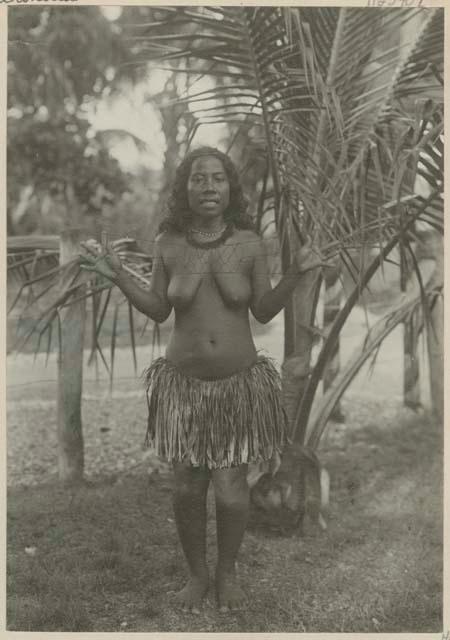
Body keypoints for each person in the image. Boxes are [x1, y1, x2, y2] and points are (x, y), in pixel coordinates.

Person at [80, 147, 327, 613]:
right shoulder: (168, 243)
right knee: (187, 487)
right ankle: (196, 577)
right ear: (185, 188)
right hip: (183, 385)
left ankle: (226, 575)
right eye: (198, 179)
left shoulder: (250, 243)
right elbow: (157, 308)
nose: (209, 186)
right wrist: (117, 276)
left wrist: (297, 272)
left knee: (231, 489)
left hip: (238, 385)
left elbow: (262, 309)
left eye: (218, 178)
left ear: (230, 188)